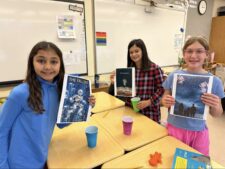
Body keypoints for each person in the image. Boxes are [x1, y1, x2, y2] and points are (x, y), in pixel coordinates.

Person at [0, 41, 96, 169]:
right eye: (41, 61)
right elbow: (2, 130)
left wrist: (86, 106)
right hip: (17, 163)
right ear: (31, 62)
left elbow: (60, 123)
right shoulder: (20, 93)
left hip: (43, 158)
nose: (48, 67)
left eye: (53, 62)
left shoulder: (59, 90)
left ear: (60, 64)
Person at [161, 36, 224, 156]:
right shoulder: (174, 76)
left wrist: (215, 105)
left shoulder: (215, 81)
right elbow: (163, 100)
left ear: (206, 54)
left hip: (198, 133)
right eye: (189, 51)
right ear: (184, 54)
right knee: (171, 159)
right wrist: (165, 101)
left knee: (196, 162)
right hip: (174, 129)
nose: (193, 55)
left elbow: (217, 114)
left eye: (199, 51)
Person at [109, 39, 164, 123]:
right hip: (131, 110)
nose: (134, 54)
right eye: (131, 52)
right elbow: (125, 92)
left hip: (149, 112)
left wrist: (148, 102)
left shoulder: (155, 68)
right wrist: (115, 83)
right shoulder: (129, 70)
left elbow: (161, 89)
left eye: (136, 51)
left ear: (143, 51)